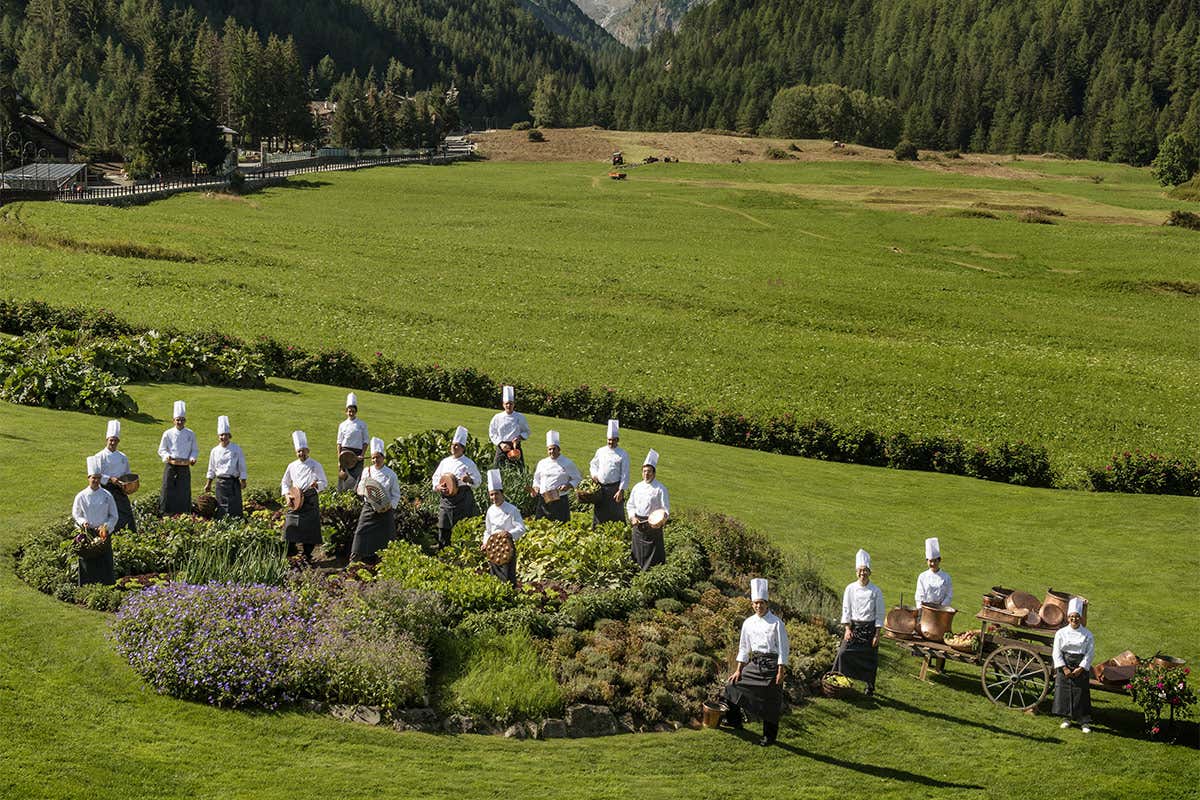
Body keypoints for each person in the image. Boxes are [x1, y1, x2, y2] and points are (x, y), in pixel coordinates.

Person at [725, 578, 789, 746]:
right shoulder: (748, 623)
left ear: (767, 603)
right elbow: (744, 648)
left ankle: (769, 737)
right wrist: (739, 670)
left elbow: (783, 649)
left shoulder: (777, 623)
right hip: (755, 664)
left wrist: (781, 671)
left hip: (772, 667)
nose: (758, 606)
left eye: (761, 603)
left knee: (772, 701)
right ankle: (734, 721)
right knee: (732, 685)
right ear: (752, 604)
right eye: (755, 603)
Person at [833, 548, 886, 696]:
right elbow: (846, 610)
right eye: (860, 570)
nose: (862, 573)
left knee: (870, 659)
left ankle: (870, 687)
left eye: (865, 570)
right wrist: (847, 629)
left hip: (869, 629)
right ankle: (837, 679)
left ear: (870, 572)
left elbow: (880, 613)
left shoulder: (876, 591)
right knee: (843, 653)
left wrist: (877, 634)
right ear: (856, 572)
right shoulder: (850, 589)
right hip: (854, 628)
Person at [351, 437, 401, 563]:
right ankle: (354, 560)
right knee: (360, 533)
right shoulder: (366, 471)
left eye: (378, 457)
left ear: (383, 458)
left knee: (386, 538)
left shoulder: (391, 474)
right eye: (373, 457)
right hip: (368, 508)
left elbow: (396, 495)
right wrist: (363, 494)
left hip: (385, 511)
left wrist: (390, 506)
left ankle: (385, 563)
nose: (375, 460)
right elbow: (361, 488)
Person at [431, 426, 481, 549]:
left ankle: (460, 551)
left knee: (461, 527)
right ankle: (442, 549)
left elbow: (478, 481)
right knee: (443, 524)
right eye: (453, 445)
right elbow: (436, 477)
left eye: (457, 445)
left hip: (462, 498)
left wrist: (469, 480)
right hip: (446, 497)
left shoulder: (469, 463)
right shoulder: (445, 462)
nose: (454, 447)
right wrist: (438, 487)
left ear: (463, 448)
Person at [280, 430, 328, 562]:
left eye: (303, 450)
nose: (301, 453)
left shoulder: (316, 465)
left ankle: (307, 554)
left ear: (308, 450)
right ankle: (290, 552)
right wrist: (287, 495)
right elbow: (284, 482)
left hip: (310, 499)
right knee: (290, 525)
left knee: (310, 529)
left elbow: (324, 482)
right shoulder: (292, 466)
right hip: (295, 500)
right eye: (298, 451)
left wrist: (317, 485)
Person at [72, 456, 118, 585]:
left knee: (105, 561)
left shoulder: (107, 496)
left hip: (102, 533)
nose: (96, 481)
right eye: (93, 478)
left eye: (98, 478)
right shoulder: (81, 496)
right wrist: (83, 522)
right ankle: (86, 585)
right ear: (88, 478)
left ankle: (107, 584)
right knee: (87, 561)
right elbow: (76, 514)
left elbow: (114, 515)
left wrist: (106, 526)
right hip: (87, 533)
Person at [1053, 597, 1095, 734]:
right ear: (1067, 617)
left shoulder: (1087, 634)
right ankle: (1067, 718)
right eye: (1071, 617)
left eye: (1076, 617)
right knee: (1064, 692)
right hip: (1065, 664)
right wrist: (1063, 667)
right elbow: (1056, 652)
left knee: (1081, 693)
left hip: (1080, 665)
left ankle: (1084, 721)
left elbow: (1090, 653)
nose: (1074, 619)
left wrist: (1081, 668)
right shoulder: (1061, 633)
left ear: (1080, 618)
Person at [625, 449, 670, 571]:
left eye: (649, 472)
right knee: (637, 551)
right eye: (644, 471)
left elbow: (665, 510)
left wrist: (660, 520)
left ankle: (652, 573)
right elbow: (630, 505)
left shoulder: (660, 489)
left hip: (653, 526)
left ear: (654, 473)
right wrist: (632, 517)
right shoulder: (637, 487)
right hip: (638, 524)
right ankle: (637, 572)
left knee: (653, 554)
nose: (646, 474)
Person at [915, 536, 952, 672]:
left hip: (941, 610)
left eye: (934, 561)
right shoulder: (922, 576)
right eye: (930, 561)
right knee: (926, 635)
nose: (932, 564)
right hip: (926, 609)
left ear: (939, 560)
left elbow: (949, 594)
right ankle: (926, 660)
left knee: (941, 636)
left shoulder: (946, 577)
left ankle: (940, 664)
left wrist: (942, 607)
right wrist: (921, 608)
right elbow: (919, 593)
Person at [483, 468, 525, 585]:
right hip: (493, 548)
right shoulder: (490, 510)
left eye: (496, 494)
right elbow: (488, 530)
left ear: (502, 494)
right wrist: (485, 543)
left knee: (507, 577)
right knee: (494, 577)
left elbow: (521, 528)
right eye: (491, 495)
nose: (494, 497)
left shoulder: (512, 509)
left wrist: (509, 533)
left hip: (507, 548)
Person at [157, 400, 198, 515]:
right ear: (173, 420)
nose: (180, 422)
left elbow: (194, 449)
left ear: (185, 421)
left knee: (183, 489)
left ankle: (184, 512)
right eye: (177, 420)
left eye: (182, 420)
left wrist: (192, 458)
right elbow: (162, 449)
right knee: (167, 488)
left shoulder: (190, 434)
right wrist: (167, 457)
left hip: (184, 465)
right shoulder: (167, 433)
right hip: (171, 464)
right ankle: (165, 512)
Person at [530, 430, 581, 522]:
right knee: (540, 525)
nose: (552, 451)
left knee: (561, 524)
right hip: (544, 498)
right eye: (549, 449)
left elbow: (577, 478)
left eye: (554, 449)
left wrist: (568, 486)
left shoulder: (567, 463)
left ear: (559, 449)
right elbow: (537, 479)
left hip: (560, 499)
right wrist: (536, 487)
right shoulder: (542, 463)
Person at [95, 419, 136, 533]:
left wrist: (127, 484)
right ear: (106, 440)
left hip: (120, 490)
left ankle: (128, 534)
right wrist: (109, 479)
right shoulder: (99, 456)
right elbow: (96, 474)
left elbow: (127, 473)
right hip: (105, 489)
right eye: (111, 440)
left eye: (115, 441)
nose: (113, 443)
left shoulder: (123, 457)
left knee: (125, 512)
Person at [203, 415, 247, 519]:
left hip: (233, 482)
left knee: (234, 506)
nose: (224, 437)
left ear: (229, 436)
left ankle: (237, 523)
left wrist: (243, 480)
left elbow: (242, 465)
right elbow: (211, 468)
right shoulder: (214, 451)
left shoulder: (236, 449)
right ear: (218, 436)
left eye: (226, 435)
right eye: (221, 435)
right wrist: (208, 483)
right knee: (221, 506)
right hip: (220, 482)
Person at [589, 419, 630, 528]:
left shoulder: (623, 454)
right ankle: (597, 531)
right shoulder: (601, 451)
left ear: (617, 440)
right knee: (599, 513)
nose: (610, 442)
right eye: (609, 440)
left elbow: (625, 474)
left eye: (613, 440)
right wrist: (594, 475)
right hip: (601, 488)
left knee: (616, 514)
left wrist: (621, 490)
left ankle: (619, 533)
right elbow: (593, 464)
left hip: (614, 489)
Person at [488, 385, 531, 470]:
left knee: (518, 471)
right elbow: (492, 433)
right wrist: (501, 443)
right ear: (503, 405)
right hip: (502, 447)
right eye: (506, 403)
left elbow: (526, 431)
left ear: (514, 404)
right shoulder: (497, 417)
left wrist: (519, 437)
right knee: (497, 470)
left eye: (510, 403)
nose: (508, 405)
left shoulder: (520, 417)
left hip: (515, 447)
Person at [336, 392, 369, 491]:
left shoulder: (362, 424)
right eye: (349, 411)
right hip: (345, 455)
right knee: (343, 477)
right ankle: (341, 497)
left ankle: (355, 497)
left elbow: (366, 441)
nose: (351, 413)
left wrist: (362, 455)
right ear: (346, 412)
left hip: (357, 454)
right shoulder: (342, 425)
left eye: (353, 411)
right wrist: (339, 459)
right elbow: (339, 442)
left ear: (356, 412)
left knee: (356, 478)